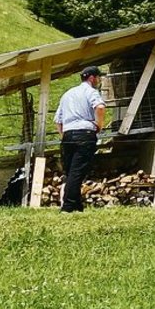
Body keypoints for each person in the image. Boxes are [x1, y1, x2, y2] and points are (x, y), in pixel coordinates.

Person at [54, 66, 106, 212]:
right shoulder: (91, 92)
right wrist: (98, 126)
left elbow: (58, 120)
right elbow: (100, 108)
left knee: (71, 172)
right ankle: (68, 206)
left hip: (68, 134)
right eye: (98, 77)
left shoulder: (67, 94)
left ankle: (77, 205)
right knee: (77, 172)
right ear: (92, 78)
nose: (99, 80)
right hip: (85, 133)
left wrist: (64, 135)